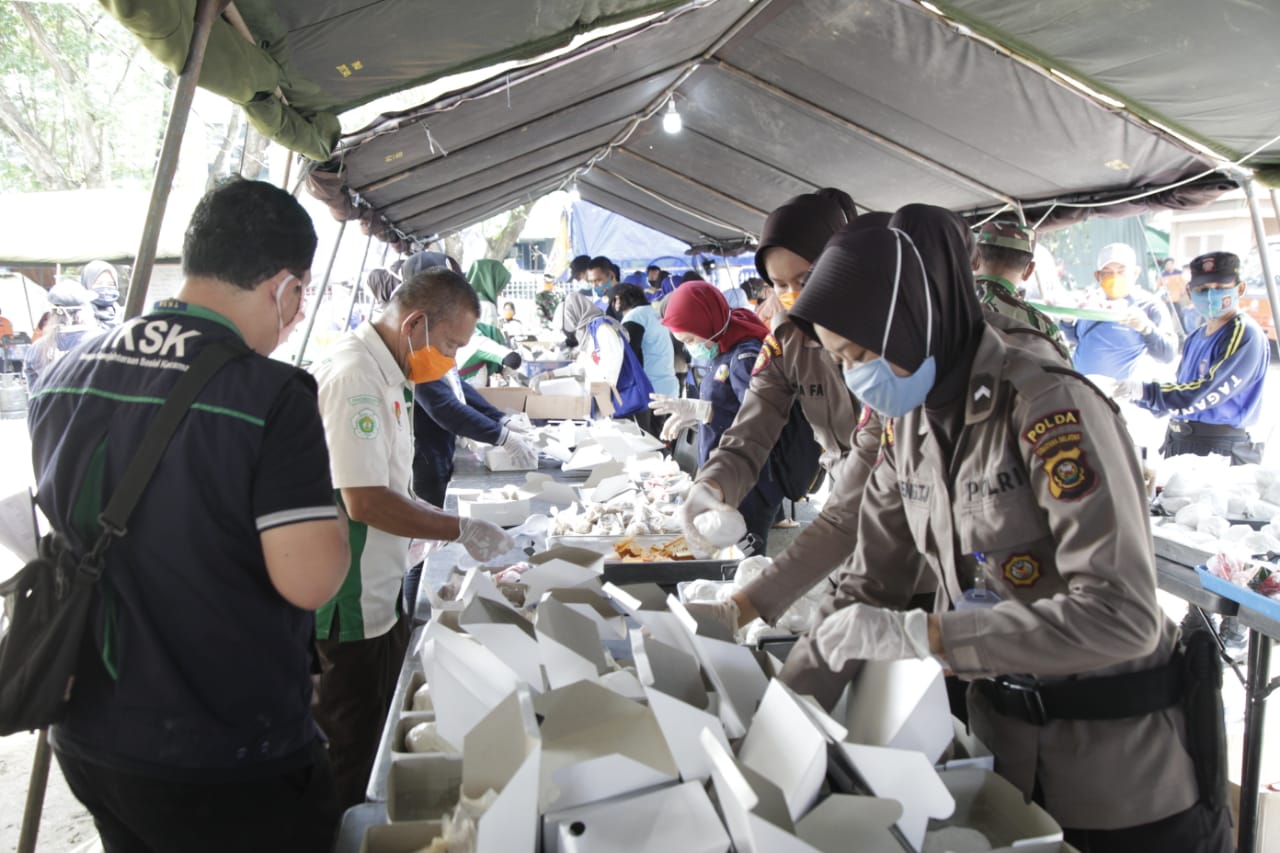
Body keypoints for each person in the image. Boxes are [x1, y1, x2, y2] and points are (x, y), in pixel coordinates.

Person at [781, 205, 1232, 852]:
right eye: (841, 359)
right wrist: (780, 724)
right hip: (999, 764)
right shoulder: (908, 420)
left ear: (916, 317)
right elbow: (866, 584)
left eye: (861, 352)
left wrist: (928, 633)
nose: (857, 375)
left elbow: (1121, 615)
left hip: (1116, 778)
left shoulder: (1048, 407)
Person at [28, 178, 351, 851]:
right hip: (222, 751)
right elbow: (311, 580)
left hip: (88, 730)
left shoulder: (66, 369)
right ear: (288, 289)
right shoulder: (270, 394)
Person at [311, 268, 515, 810]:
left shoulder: (391, 371)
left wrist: (432, 518)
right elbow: (366, 500)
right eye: (449, 345)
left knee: (380, 724)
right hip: (348, 597)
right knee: (350, 743)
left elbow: (392, 484)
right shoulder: (356, 376)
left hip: (380, 585)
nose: (450, 361)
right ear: (416, 322)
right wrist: (458, 528)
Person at [675, 190, 870, 630]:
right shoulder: (788, 341)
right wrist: (712, 485)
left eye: (807, 277)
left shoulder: (889, 340)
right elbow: (750, 432)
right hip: (844, 510)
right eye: (780, 285)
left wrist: (745, 606)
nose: (795, 296)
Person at [658, 281, 788, 552]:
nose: (691, 348)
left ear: (706, 322)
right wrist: (697, 414)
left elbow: (760, 421)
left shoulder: (745, 355)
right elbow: (726, 401)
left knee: (744, 558)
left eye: (690, 340)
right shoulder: (723, 347)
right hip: (724, 474)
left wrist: (707, 412)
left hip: (747, 480)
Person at [1113, 251, 1268, 465]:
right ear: (1189, 292)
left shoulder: (1244, 333)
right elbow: (1183, 388)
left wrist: (1146, 391)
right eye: (1202, 290)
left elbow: (1208, 391)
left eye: (1220, 289)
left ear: (1240, 289)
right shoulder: (1196, 336)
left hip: (1219, 448)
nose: (1211, 296)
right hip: (1181, 439)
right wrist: (1135, 397)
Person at [1064, 242, 1177, 380]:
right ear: (1098, 276)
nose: (1114, 277)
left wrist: (1147, 328)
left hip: (1120, 396)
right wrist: (1067, 321)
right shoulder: (1089, 301)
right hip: (1079, 389)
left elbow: (1168, 355)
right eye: (1107, 272)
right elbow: (1076, 338)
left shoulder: (1150, 305)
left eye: (1121, 271)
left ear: (1135, 272)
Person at [539, 291, 653, 418]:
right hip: (610, 403)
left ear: (573, 317)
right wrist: (550, 375)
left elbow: (610, 374)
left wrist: (600, 408)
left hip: (627, 403)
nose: (567, 332)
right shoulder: (590, 335)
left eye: (564, 327)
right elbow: (580, 367)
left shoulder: (603, 329)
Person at [971, 221, 1069, 359]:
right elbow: (1064, 377)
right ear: (1029, 270)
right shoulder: (1041, 326)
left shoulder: (942, 305)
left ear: (974, 259)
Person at [614, 283, 678, 436]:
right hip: (668, 386)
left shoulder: (635, 317)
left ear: (622, 299)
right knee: (663, 439)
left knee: (649, 443)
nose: (614, 303)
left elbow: (629, 356)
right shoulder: (653, 313)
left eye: (616, 299)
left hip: (650, 390)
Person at [25, 280, 98, 389]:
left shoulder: (36, 349)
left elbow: (34, 395)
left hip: (50, 405)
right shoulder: (99, 342)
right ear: (84, 310)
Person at [466, 258, 511, 326]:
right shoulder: (487, 307)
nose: (500, 293)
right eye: (500, 286)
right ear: (491, 282)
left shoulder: (462, 303)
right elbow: (490, 335)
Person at [81, 260, 122, 330]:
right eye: (99, 283)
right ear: (87, 284)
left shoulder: (122, 314)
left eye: (111, 284)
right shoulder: (77, 315)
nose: (105, 289)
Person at [1162, 257, 1197, 334]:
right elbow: (1160, 287)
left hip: (1184, 303)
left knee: (1187, 321)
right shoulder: (1163, 275)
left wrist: (1193, 304)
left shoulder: (1181, 275)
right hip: (1171, 301)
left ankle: (1187, 334)